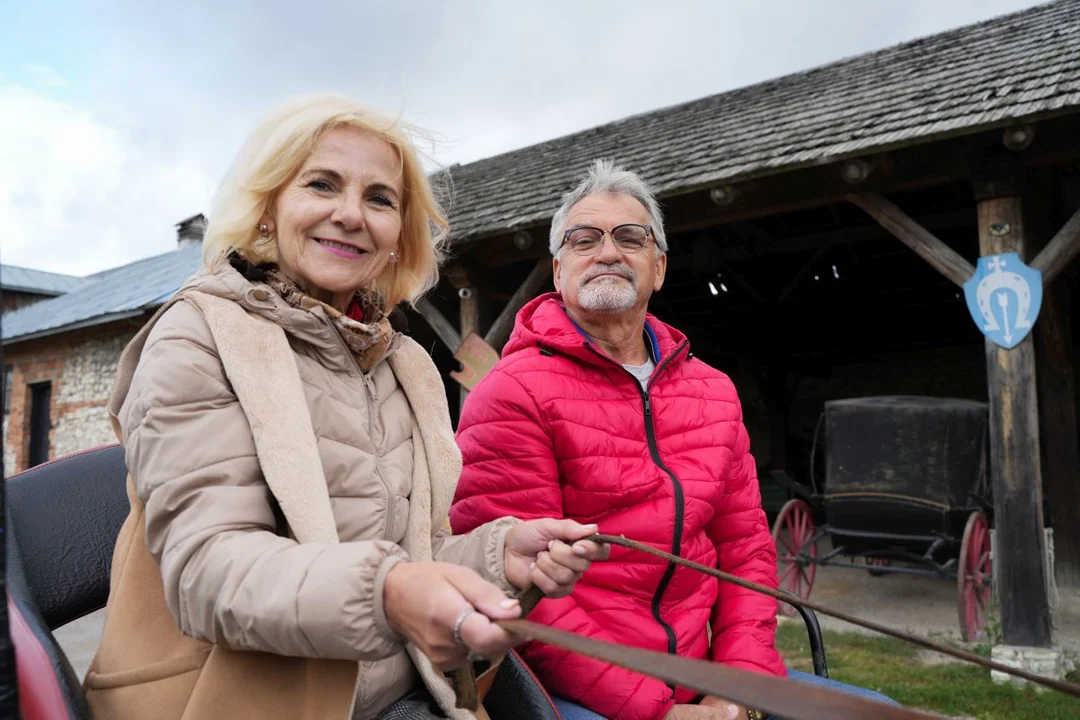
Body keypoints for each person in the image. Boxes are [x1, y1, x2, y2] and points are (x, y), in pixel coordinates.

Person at [83, 94, 608, 720]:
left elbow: (414, 554)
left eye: (380, 199)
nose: (351, 214)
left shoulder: (405, 362)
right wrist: (388, 594)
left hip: (402, 695)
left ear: (397, 239)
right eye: (321, 185)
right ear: (268, 208)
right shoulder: (197, 336)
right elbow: (206, 575)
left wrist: (502, 555)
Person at [449, 160, 898, 720]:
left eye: (630, 237)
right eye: (584, 239)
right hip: (565, 686)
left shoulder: (714, 391)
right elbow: (520, 591)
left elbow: (745, 553)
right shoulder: (509, 393)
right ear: (559, 271)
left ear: (658, 268)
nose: (608, 251)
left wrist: (736, 688)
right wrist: (657, 711)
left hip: (705, 673)